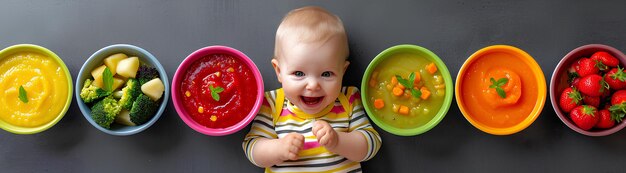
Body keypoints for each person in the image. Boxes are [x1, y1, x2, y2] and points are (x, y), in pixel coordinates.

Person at [242, 6, 382, 172]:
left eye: (326, 74)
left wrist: (338, 141)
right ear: (279, 71)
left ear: (342, 72)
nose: (313, 85)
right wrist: (278, 148)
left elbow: (371, 144)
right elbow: (252, 148)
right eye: (299, 73)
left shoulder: (348, 98)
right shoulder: (272, 103)